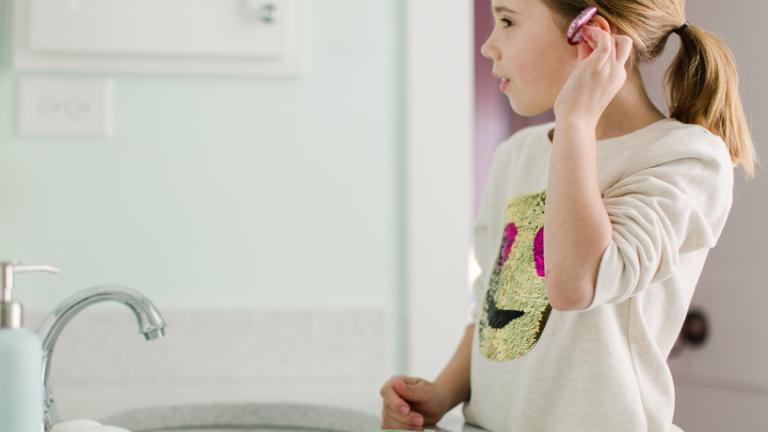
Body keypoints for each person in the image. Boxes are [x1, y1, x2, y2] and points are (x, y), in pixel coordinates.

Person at [380, 0, 758, 431]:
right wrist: (441, 394)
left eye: (507, 21)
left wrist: (577, 121)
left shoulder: (683, 157)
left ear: (588, 34)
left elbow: (577, 283)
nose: (488, 46)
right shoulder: (515, 155)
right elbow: (492, 307)